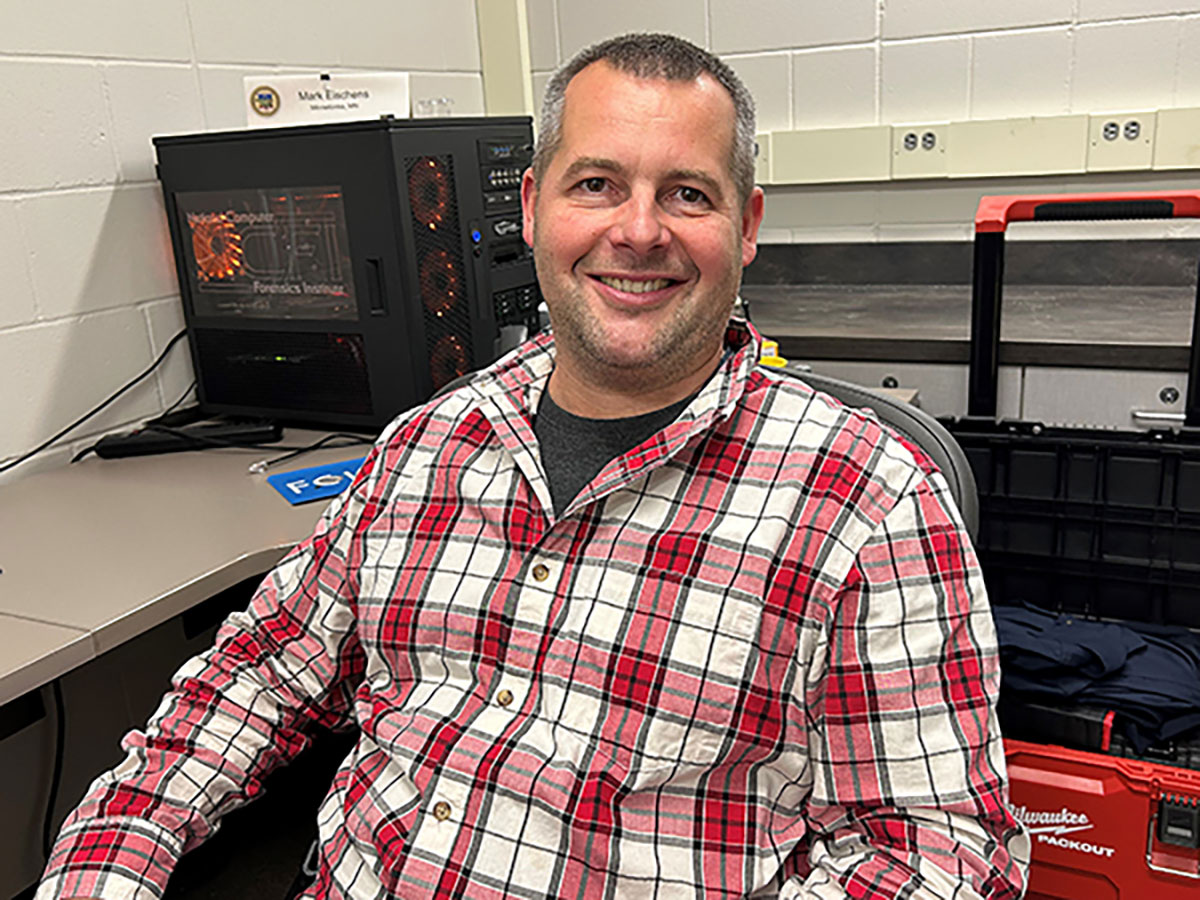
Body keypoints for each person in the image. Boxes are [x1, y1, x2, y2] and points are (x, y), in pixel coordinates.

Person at [39, 33, 1029, 899]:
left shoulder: (868, 500)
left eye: (686, 193)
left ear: (749, 225)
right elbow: (254, 678)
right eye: (596, 184)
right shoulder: (425, 446)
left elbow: (932, 853)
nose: (638, 230)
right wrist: (109, 861)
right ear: (530, 206)